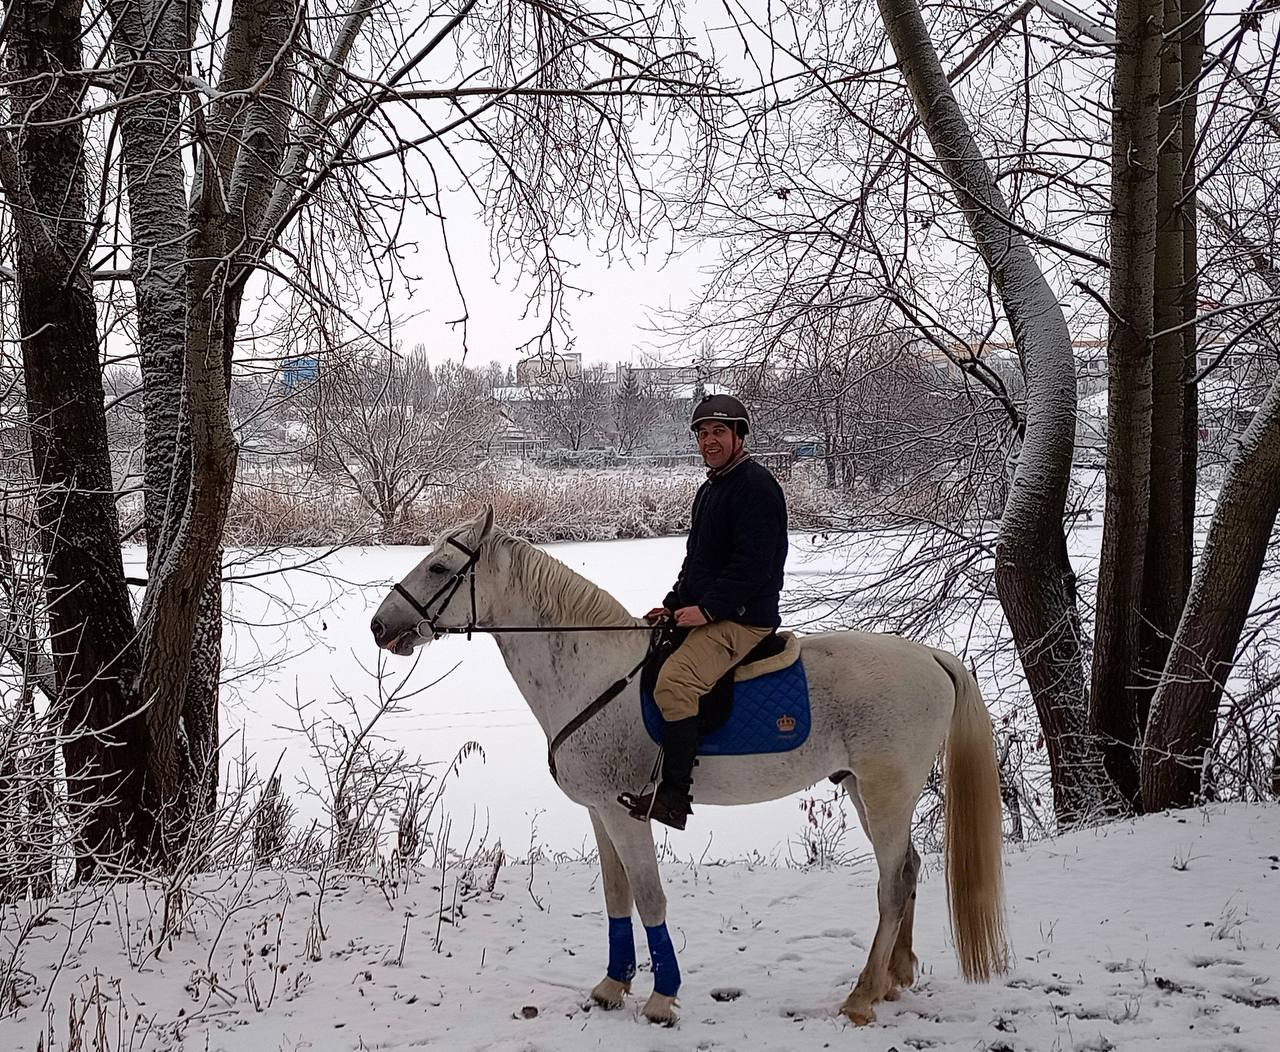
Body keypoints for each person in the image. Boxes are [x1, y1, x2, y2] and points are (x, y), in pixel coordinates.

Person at [625, 393, 788, 830]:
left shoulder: (756, 487)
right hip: (714, 611)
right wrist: (676, 604)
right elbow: (697, 562)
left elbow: (752, 567)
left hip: (743, 618)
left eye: (718, 431)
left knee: (675, 684)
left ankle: (674, 795)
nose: (709, 441)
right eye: (702, 433)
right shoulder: (712, 488)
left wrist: (711, 610)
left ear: (738, 436)